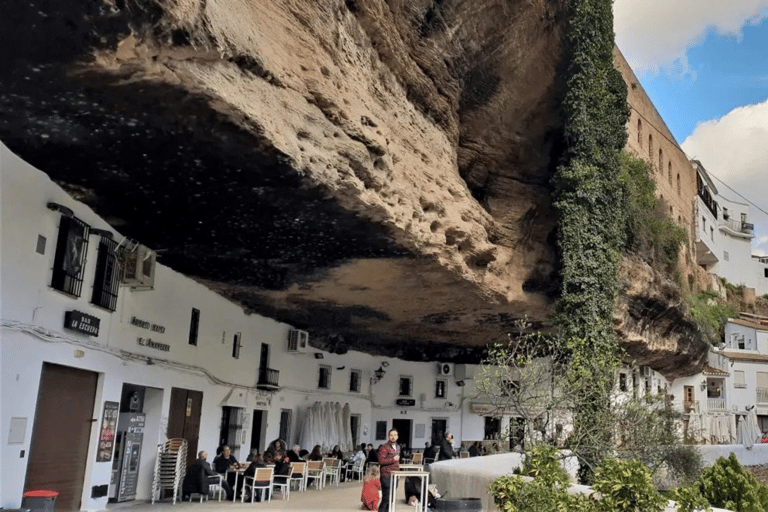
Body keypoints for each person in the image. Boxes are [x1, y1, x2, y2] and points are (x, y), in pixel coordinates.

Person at [378, 429, 400, 512]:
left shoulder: (398, 447)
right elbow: (381, 461)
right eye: (391, 435)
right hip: (386, 475)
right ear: (388, 436)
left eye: (395, 435)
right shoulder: (384, 447)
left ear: (397, 437)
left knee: (392, 499)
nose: (393, 437)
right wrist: (393, 459)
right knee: (386, 498)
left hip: (395, 475)